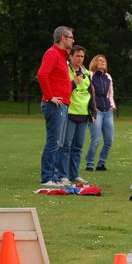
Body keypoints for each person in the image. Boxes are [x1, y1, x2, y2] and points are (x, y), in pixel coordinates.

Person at [36, 26, 74, 187]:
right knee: (54, 142)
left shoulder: (62, 56)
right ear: (62, 38)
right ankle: (47, 178)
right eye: (70, 37)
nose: (73, 40)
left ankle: (56, 177)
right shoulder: (52, 53)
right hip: (54, 105)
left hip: (63, 104)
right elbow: (42, 74)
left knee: (59, 143)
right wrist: (50, 96)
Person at [59, 45, 96, 186]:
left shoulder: (86, 73)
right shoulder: (65, 70)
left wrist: (93, 111)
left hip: (83, 114)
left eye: (82, 56)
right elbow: (62, 89)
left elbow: (90, 93)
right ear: (70, 56)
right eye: (77, 56)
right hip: (69, 113)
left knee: (78, 147)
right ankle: (63, 176)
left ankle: (74, 175)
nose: (80, 59)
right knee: (66, 146)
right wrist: (74, 83)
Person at [85, 54, 115, 171]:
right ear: (94, 63)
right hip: (95, 111)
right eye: (100, 60)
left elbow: (110, 93)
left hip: (107, 111)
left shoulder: (108, 77)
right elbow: (86, 93)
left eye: (104, 61)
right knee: (96, 139)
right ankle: (89, 163)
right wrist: (92, 108)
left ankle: (101, 163)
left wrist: (112, 105)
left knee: (109, 140)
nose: (103, 62)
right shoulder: (89, 75)